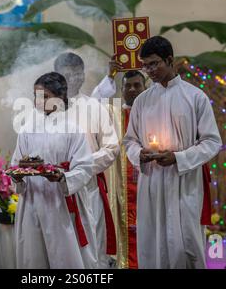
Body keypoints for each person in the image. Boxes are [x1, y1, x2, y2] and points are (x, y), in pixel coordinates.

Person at [123, 36, 222, 269]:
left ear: (170, 60)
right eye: (146, 65)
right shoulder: (141, 102)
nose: (150, 70)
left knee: (185, 245)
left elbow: (212, 142)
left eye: (154, 63)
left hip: (184, 182)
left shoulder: (195, 97)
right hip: (152, 183)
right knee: (152, 243)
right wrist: (140, 154)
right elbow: (129, 141)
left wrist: (178, 158)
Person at [11, 72, 98, 268]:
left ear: (61, 98)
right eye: (36, 96)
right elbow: (16, 163)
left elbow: (84, 167)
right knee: (34, 257)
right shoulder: (27, 129)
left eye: (45, 96)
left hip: (62, 201)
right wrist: (17, 176)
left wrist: (63, 177)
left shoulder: (73, 129)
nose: (38, 101)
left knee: (65, 256)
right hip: (33, 200)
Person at [54, 53, 120, 268]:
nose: (73, 78)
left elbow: (111, 147)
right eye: (67, 73)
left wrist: (81, 167)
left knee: (93, 248)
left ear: (83, 75)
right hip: (56, 188)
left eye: (77, 73)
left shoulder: (94, 107)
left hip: (88, 187)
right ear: (57, 76)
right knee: (60, 249)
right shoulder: (47, 109)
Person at [91, 67, 148, 269]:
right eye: (128, 86)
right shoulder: (112, 113)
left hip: (148, 184)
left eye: (137, 85)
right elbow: (93, 102)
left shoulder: (154, 111)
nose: (132, 90)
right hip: (120, 184)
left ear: (145, 87)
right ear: (121, 90)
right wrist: (110, 75)